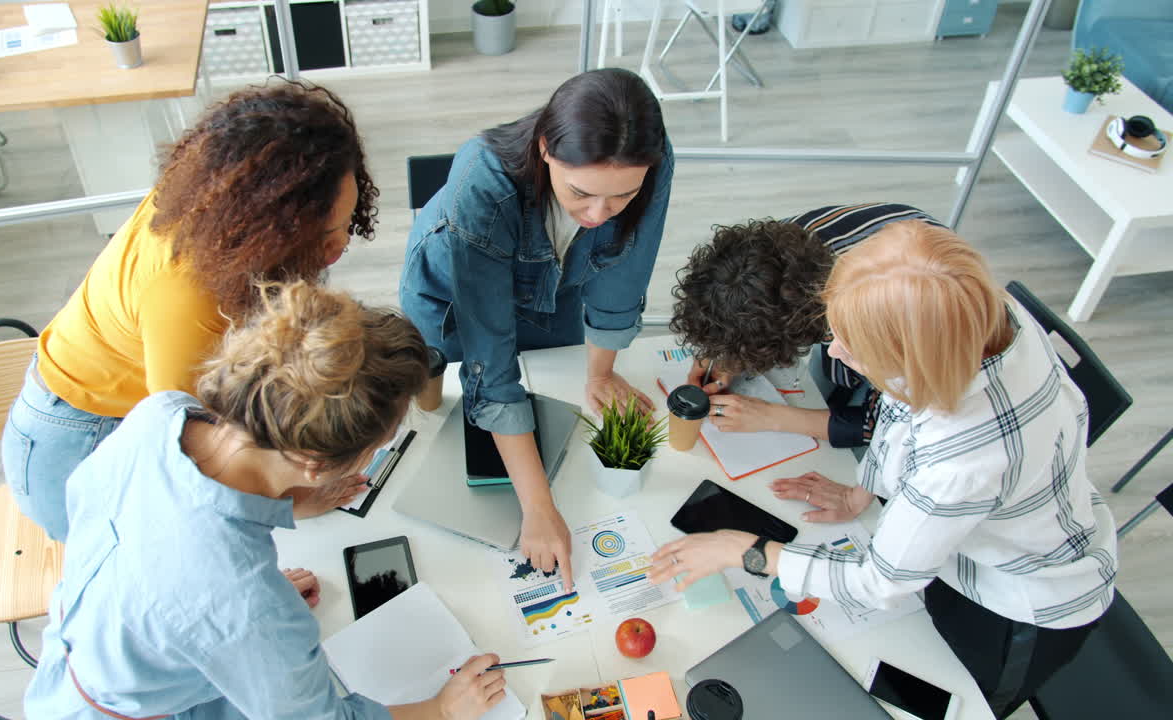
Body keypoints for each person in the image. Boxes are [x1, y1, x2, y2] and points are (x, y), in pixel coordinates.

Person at [650, 221, 1117, 719]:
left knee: (950, 703)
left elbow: (879, 582)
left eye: (853, 346)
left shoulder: (963, 457)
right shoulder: (972, 314)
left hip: (1018, 604)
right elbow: (899, 409)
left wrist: (742, 549)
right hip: (962, 550)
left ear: (911, 358)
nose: (833, 351)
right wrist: (863, 490)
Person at [24, 280, 508, 720]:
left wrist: (231, 616)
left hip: (91, 645)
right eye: (377, 446)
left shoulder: (161, 413)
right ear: (316, 464)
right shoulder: (246, 603)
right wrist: (442, 709)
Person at [1, 80, 379, 541]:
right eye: (321, 235)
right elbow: (192, 462)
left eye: (346, 224)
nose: (339, 247)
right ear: (270, 223)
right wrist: (294, 501)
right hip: (82, 438)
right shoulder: (184, 296)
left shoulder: (213, 201)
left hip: (111, 410)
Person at [399, 68, 674, 586]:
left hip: (556, 286)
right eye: (581, 192)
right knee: (440, 419)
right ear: (546, 148)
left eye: (622, 196)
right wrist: (540, 508)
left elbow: (625, 271)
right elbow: (489, 365)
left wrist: (600, 373)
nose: (599, 214)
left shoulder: (651, 158)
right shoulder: (480, 184)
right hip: (453, 302)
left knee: (555, 387)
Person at [669, 203, 942, 449]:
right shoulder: (778, 247)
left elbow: (883, 425)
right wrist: (726, 357)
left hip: (922, 319)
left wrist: (770, 417)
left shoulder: (880, 321)